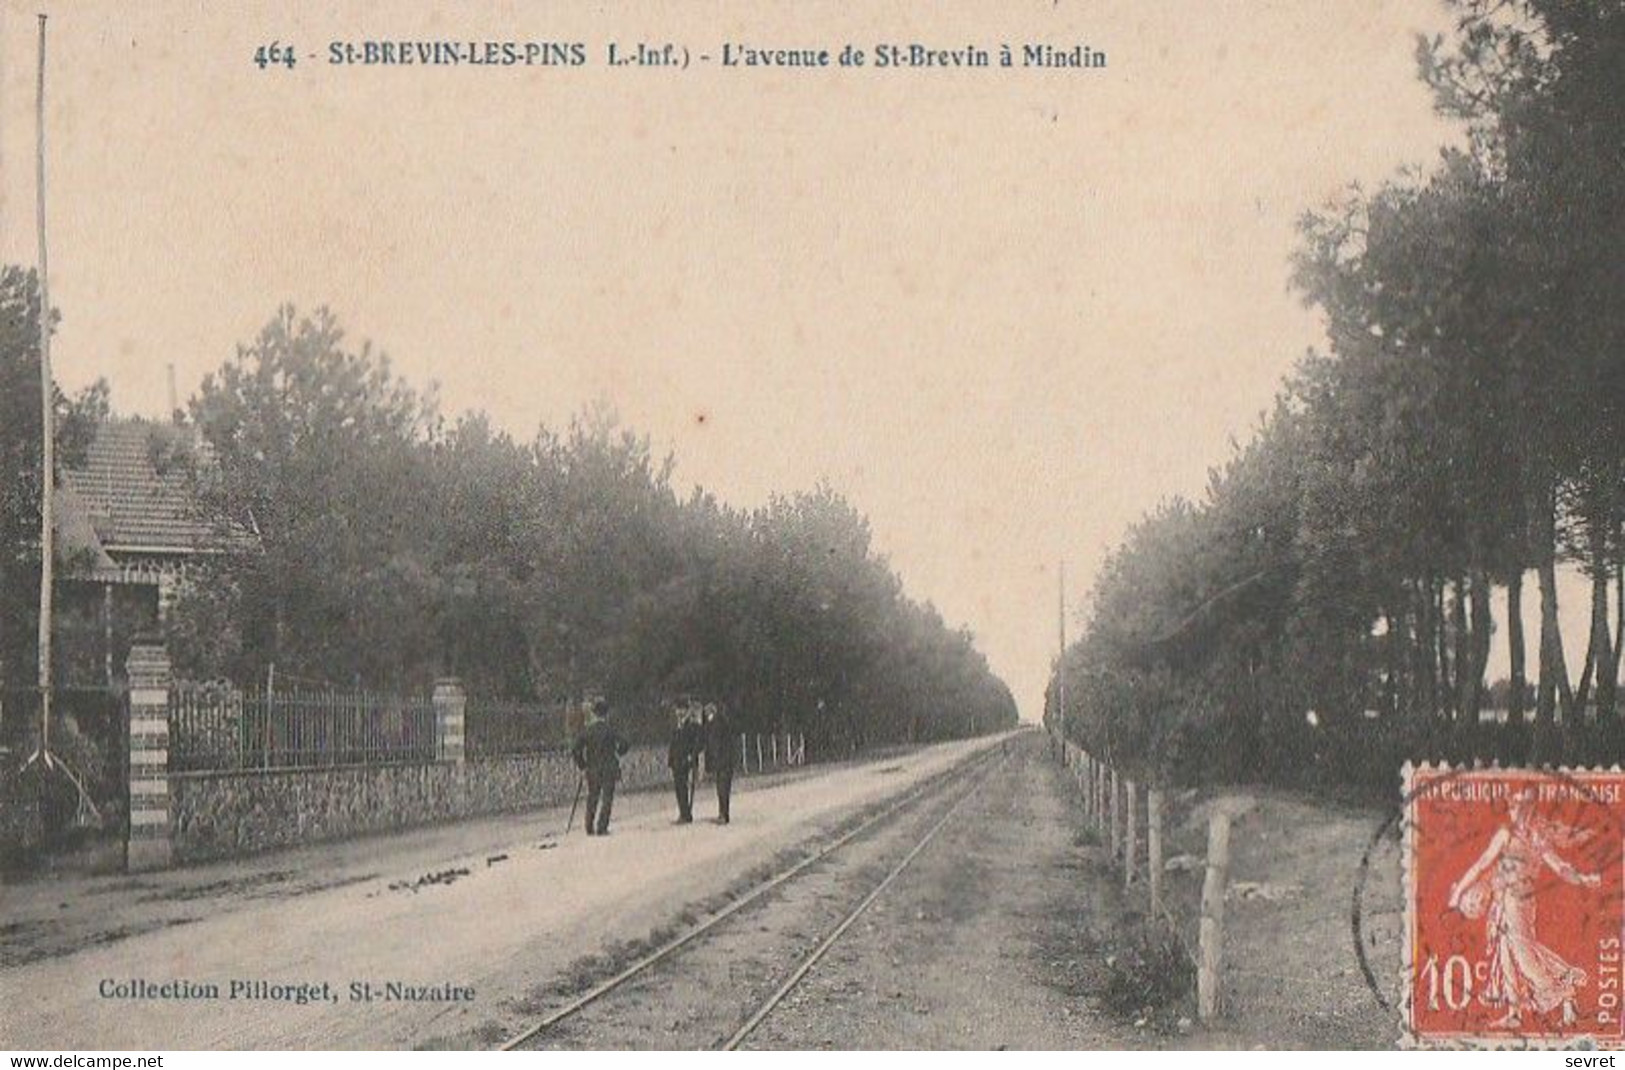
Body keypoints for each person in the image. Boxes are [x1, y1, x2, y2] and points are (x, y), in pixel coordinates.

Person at [1447, 790, 1601, 1029]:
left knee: (1524, 955)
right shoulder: (1505, 834)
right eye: (1514, 806)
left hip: (1520, 902)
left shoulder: (1538, 837)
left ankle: (1562, 992)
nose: (1517, 810)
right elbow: (1481, 865)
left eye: (1523, 806)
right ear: (1511, 808)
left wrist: (1583, 879)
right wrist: (1457, 895)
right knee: (1507, 955)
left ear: (1531, 808)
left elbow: (1560, 867)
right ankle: (1516, 1012)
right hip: (1502, 900)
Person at [571, 696, 629, 835]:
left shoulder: (588, 731)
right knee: (607, 798)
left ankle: (589, 826)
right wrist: (618, 753)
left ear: (594, 714)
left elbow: (575, 749)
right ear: (606, 714)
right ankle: (602, 827)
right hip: (609, 768)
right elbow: (625, 744)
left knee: (592, 797)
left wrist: (582, 765)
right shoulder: (610, 730)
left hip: (593, 769)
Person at [667, 699, 703, 824]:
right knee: (678, 787)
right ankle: (684, 812)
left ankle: (686, 814)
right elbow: (672, 744)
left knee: (683, 786)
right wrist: (670, 760)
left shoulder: (692, 726)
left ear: (687, 711)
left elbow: (699, 743)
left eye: (682, 709)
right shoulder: (675, 726)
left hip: (686, 760)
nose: (679, 712)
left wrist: (692, 756)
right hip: (676, 760)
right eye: (678, 709)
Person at [703, 702, 737, 824]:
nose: (707, 715)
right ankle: (722, 813)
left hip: (724, 762)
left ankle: (724, 815)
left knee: (723, 789)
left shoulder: (717, 724)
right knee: (721, 789)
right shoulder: (714, 724)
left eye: (708, 713)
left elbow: (716, 745)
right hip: (722, 763)